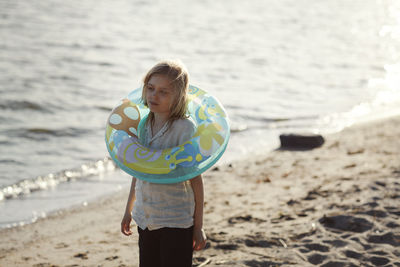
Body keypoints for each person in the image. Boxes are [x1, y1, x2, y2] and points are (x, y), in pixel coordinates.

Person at [120, 60, 207, 267]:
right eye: (150, 88)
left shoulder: (184, 129)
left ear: (177, 97)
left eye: (163, 92)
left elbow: (196, 180)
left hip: (176, 219)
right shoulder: (143, 125)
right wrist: (128, 210)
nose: (153, 95)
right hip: (146, 217)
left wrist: (198, 226)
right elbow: (139, 170)